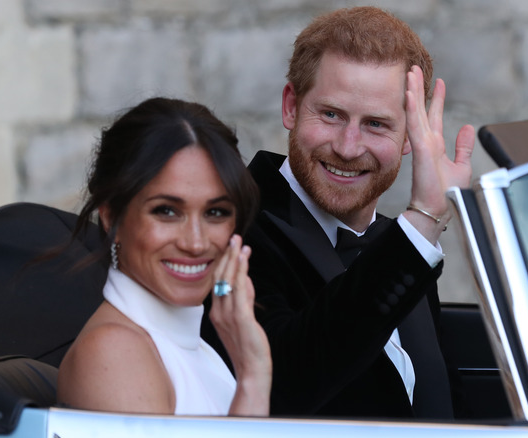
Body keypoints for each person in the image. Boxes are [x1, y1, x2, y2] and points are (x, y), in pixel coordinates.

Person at [201, 7, 476, 419]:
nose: (348, 147)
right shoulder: (230, 226)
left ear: (409, 137)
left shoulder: (396, 242)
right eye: (331, 115)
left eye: (377, 124)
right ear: (291, 106)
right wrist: (422, 223)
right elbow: (282, 384)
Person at [57, 97, 272, 416]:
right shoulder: (114, 352)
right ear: (111, 216)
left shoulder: (196, 348)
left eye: (215, 212)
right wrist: (254, 379)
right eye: (167, 211)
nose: (196, 243)